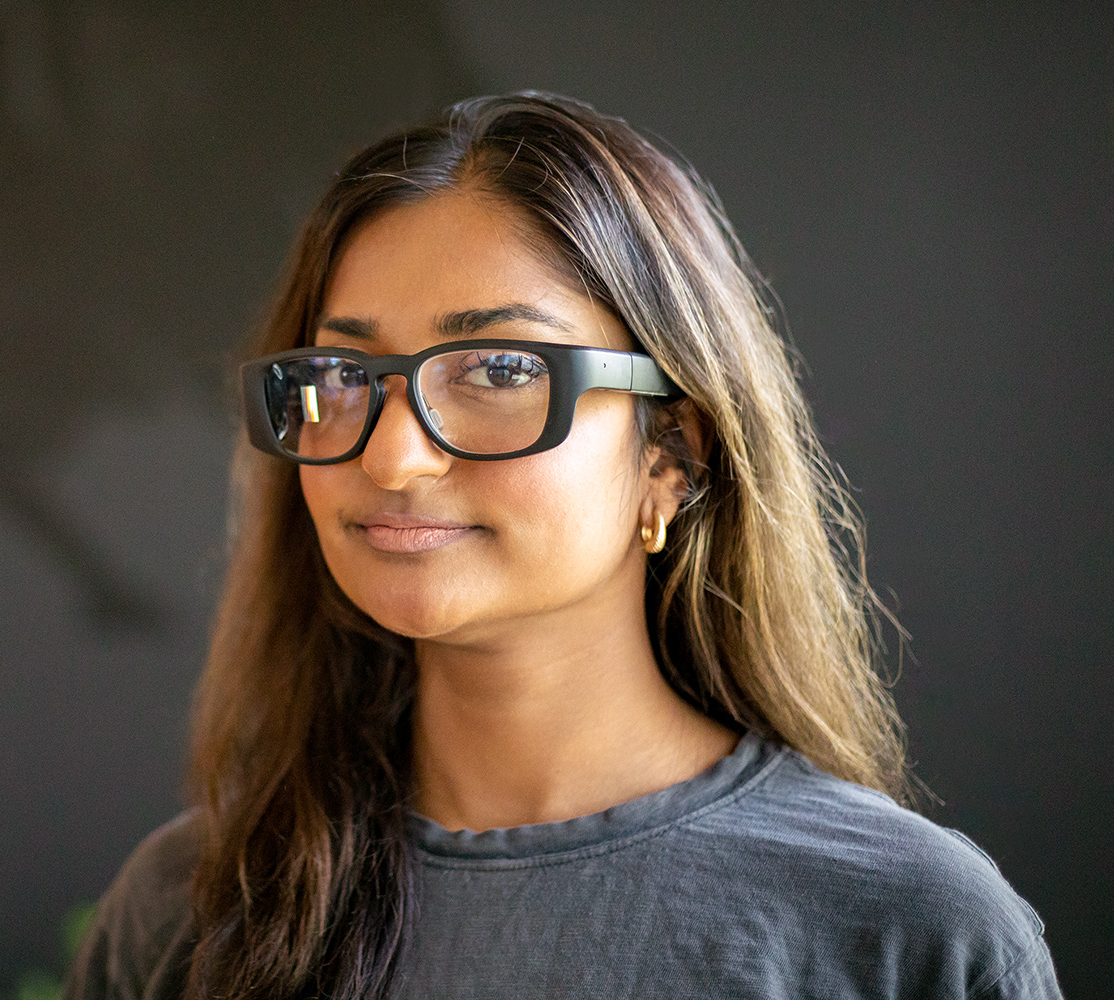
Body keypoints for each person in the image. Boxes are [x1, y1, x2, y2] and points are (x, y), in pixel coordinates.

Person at [65, 93, 1060, 1000]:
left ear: (670, 453)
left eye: (498, 367)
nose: (396, 454)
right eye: (345, 373)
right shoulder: (187, 906)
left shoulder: (906, 932)